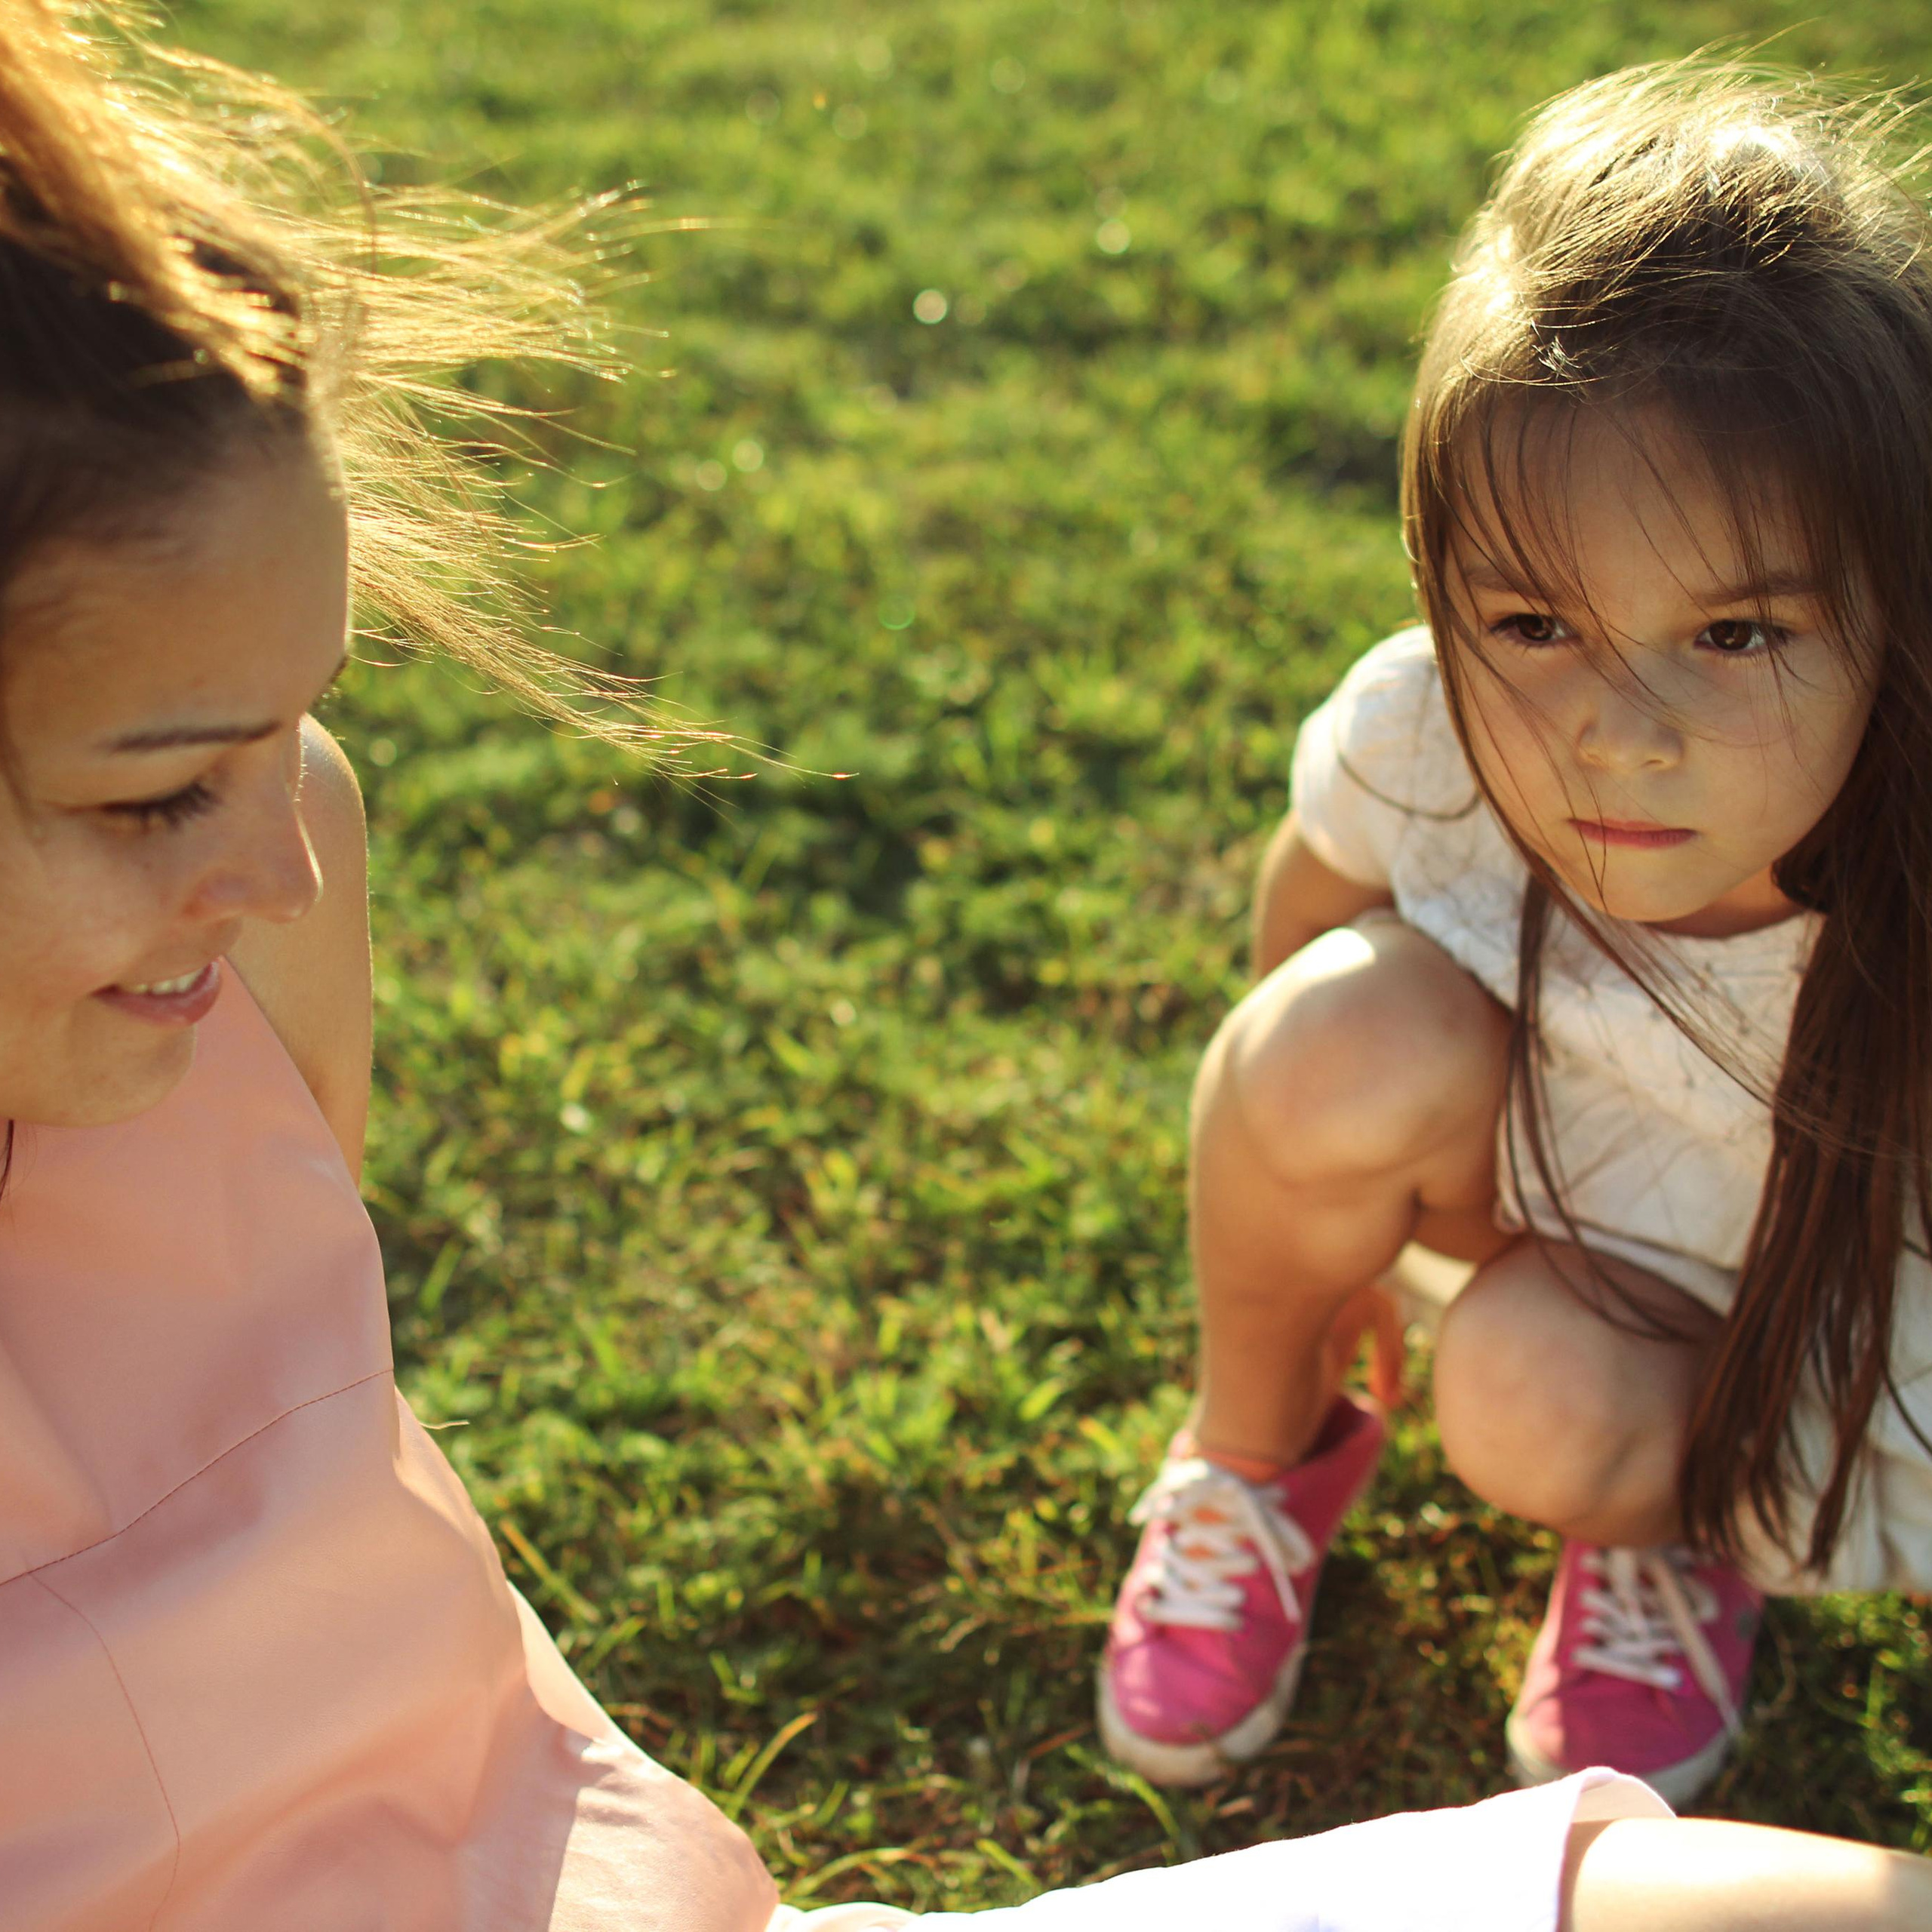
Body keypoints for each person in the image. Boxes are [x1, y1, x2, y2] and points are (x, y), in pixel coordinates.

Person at [1, 8, 1927, 1927]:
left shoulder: (259, 931)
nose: (277, 862)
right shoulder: (1430, 754)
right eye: (162, 794)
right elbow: (1309, 972)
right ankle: (1269, 1461)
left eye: (288, 733)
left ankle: (1628, 1522)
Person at [1099, 54, 1932, 1815]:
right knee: (1333, 1044)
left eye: (1730, 636)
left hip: (1819, 1306)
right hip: (1565, 1198)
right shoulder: (1427, 740)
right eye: (1537, 617)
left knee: (1532, 1394)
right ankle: (1245, 1460)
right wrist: (1340, 1225)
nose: (1612, 736)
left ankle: (1674, 1526)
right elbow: (1305, 929)